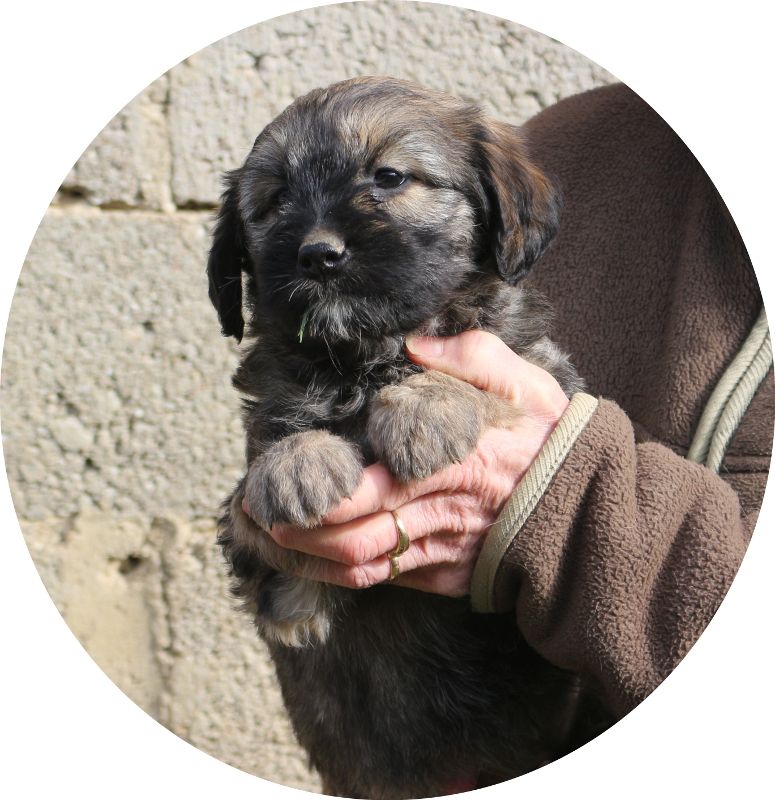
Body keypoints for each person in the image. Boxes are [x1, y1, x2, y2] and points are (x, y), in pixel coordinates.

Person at [244, 83, 773, 717]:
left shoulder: (509, 325)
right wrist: (285, 478)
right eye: (275, 201)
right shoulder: (578, 137)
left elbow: (552, 415)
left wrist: (519, 464)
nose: (319, 237)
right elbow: (279, 586)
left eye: (389, 178)